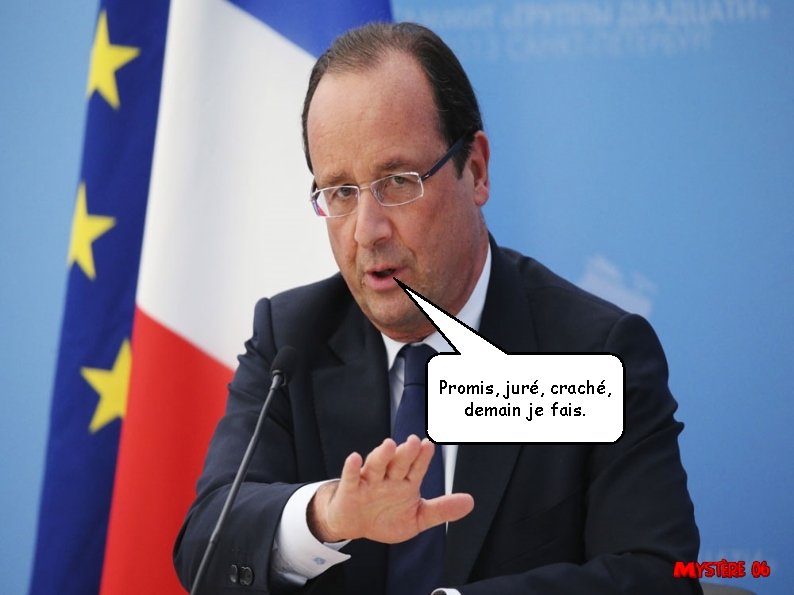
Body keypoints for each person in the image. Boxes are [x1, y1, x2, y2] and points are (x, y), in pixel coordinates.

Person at [174, 22, 701, 595]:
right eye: (341, 192)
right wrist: (325, 515)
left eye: (397, 181)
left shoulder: (592, 356)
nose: (367, 231)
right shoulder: (292, 340)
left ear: (475, 171)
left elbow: (656, 575)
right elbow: (206, 547)